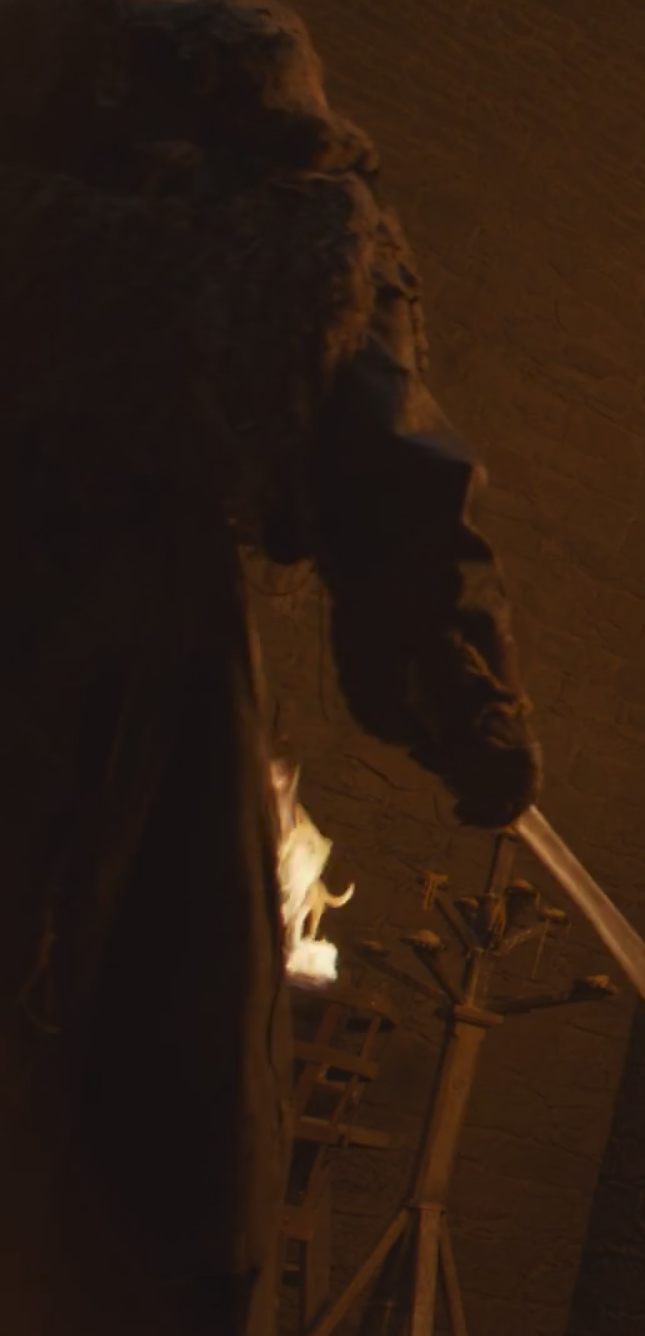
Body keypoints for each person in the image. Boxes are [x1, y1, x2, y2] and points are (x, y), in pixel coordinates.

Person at [0, 2, 542, 1331]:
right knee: (167, 1161)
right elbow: (390, 490)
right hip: (118, 642)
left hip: (116, 624)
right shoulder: (302, 190)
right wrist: (471, 712)